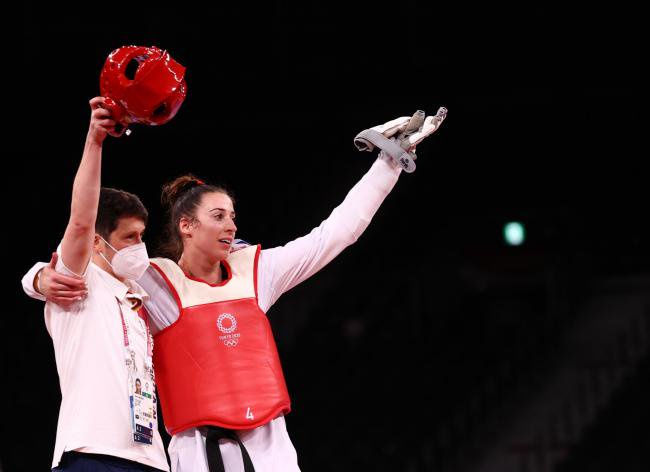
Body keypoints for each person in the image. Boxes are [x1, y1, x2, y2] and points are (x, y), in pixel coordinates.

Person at [23, 108, 446, 471]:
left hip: (271, 446)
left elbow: (336, 233)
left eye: (232, 216)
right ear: (187, 226)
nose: (231, 225)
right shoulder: (155, 282)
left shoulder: (258, 272)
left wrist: (388, 164)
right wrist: (39, 277)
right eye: (218, 216)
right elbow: (92, 264)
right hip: (196, 450)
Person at [21, 97, 169, 471]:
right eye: (129, 237)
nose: (139, 246)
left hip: (151, 458)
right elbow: (81, 222)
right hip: (91, 453)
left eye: (142, 235)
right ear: (98, 243)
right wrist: (95, 140)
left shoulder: (140, 299)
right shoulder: (77, 281)